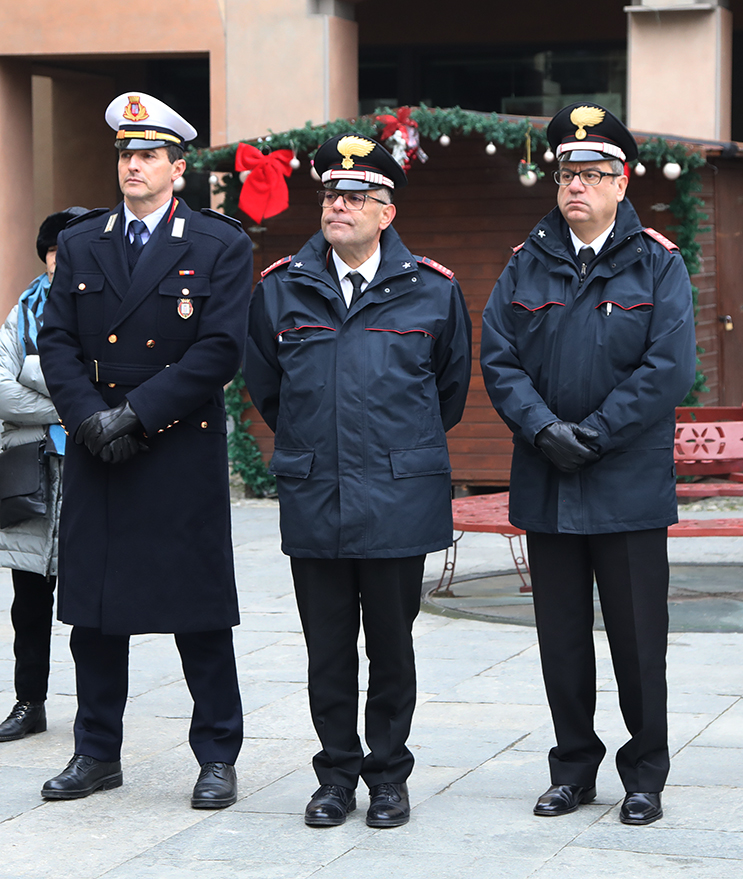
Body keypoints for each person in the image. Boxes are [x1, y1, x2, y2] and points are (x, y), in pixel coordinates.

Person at [244, 133, 471, 829]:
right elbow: (268, 389)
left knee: (392, 647)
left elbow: (450, 392)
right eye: (331, 195)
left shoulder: (432, 290)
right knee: (328, 648)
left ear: (386, 212)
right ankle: (335, 774)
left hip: (398, 497)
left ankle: (390, 775)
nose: (338, 206)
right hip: (318, 493)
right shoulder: (282, 288)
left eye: (355, 197)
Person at [479, 102, 696, 826]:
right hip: (548, 479)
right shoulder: (523, 263)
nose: (577, 184)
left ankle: (644, 773)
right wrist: (543, 429)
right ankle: (573, 767)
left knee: (638, 640)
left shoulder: (658, 263)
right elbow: (498, 358)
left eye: (594, 173)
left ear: (622, 180)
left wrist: (595, 434)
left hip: (625, 483)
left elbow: (669, 369)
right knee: (561, 640)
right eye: (567, 171)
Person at [38, 92, 252, 808]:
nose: (134, 165)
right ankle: (96, 750)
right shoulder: (80, 242)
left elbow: (219, 349)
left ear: (177, 168)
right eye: (127, 154)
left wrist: (136, 415)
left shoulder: (220, 243)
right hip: (100, 444)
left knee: (198, 612)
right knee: (95, 615)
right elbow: (58, 342)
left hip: (173, 444)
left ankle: (217, 754)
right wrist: (92, 417)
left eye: (149, 154)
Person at [0, 208, 86, 742]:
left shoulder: (102, 311)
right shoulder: (22, 310)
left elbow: (104, 384)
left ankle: (96, 714)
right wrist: (66, 404)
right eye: (55, 251)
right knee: (27, 602)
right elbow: (0, 389)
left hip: (86, 468)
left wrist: (35, 374)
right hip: (31, 470)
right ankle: (28, 702)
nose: (61, 261)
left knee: (89, 605)